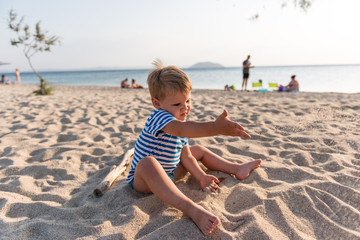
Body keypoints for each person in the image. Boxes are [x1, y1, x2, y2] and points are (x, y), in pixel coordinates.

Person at [126, 59, 261, 235]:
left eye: (187, 101)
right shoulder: (159, 117)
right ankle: (191, 209)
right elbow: (182, 129)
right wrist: (215, 128)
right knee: (147, 163)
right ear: (157, 103)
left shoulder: (178, 122)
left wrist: (201, 176)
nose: (185, 108)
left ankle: (236, 168)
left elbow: (187, 156)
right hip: (145, 181)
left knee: (197, 151)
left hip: (171, 173)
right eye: (177, 104)